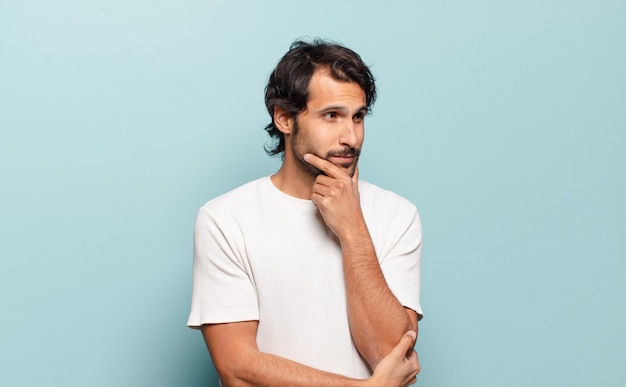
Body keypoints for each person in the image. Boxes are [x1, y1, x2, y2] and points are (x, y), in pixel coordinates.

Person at [188, 39, 423, 386]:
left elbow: (394, 355)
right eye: (332, 116)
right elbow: (237, 368)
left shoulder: (396, 214)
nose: (351, 137)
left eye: (358, 117)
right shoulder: (225, 219)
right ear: (284, 118)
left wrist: (353, 229)